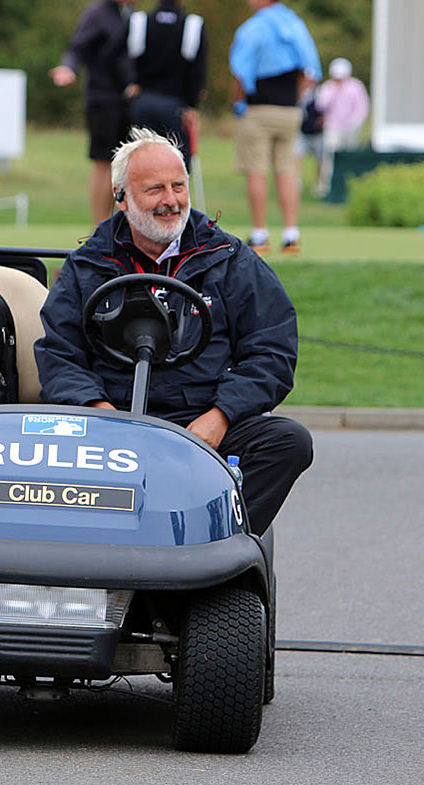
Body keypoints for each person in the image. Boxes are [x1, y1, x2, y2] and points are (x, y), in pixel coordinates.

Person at [34, 127, 313, 536]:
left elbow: (273, 351)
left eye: (178, 186)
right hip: (108, 422)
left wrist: (220, 417)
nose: (170, 200)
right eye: (155, 189)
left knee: (288, 441)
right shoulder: (87, 264)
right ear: (121, 197)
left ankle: (214, 545)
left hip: (202, 419)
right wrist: (99, 413)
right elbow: (58, 356)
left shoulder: (229, 258)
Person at [229, 0, 322, 254]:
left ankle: (260, 234)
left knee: (256, 171)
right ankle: (291, 234)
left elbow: (240, 71)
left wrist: (237, 103)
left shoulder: (252, 29)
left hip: (258, 109)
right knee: (287, 171)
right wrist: (299, 100)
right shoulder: (295, 24)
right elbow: (311, 70)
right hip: (290, 111)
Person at [50, 0, 135, 226]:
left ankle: (119, 227)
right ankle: (99, 228)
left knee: (126, 164)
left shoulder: (131, 14)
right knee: (104, 161)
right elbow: (77, 48)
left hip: (128, 102)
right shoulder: (97, 14)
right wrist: (68, 67)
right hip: (103, 100)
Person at [115, 0, 208, 169]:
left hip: (142, 103)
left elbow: (112, 56)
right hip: (176, 106)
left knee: (141, 164)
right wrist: (192, 105)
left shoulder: (139, 21)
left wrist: (130, 82)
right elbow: (198, 71)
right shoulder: (193, 25)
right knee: (177, 166)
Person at [314, 57, 370, 197]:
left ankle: (350, 185)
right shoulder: (328, 87)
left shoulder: (356, 87)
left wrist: (354, 122)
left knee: (350, 156)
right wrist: (333, 92)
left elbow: (362, 107)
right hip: (333, 127)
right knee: (329, 157)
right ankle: (326, 187)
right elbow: (320, 106)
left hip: (351, 128)